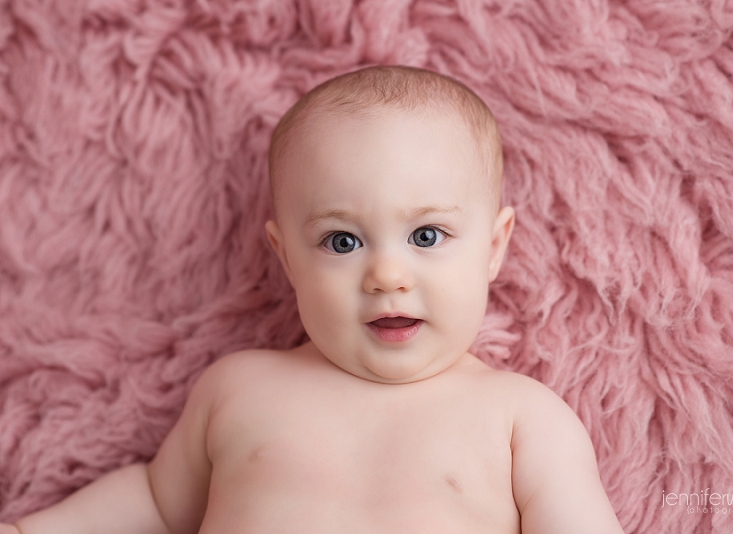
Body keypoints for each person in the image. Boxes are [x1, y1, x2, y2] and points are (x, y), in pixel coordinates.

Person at [2, 65, 624, 534]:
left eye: (426, 236)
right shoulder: (240, 388)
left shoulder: (520, 418)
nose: (386, 274)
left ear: (493, 247)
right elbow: (157, 503)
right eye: (342, 239)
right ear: (286, 258)